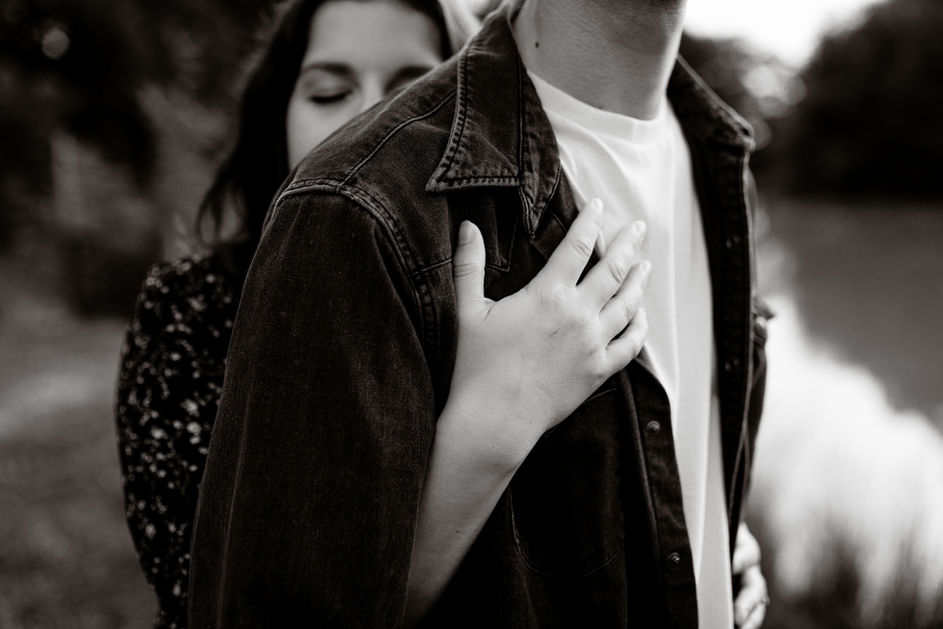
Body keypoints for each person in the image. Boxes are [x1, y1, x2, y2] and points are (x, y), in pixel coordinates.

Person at [188, 0, 772, 627]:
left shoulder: (724, 164)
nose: (358, 103)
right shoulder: (354, 208)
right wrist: (493, 422)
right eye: (331, 88)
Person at [114, 1, 477, 627]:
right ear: (278, 116)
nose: (372, 117)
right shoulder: (190, 307)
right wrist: (491, 428)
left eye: (419, 89)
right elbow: (211, 595)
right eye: (330, 90)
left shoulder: (524, 309)